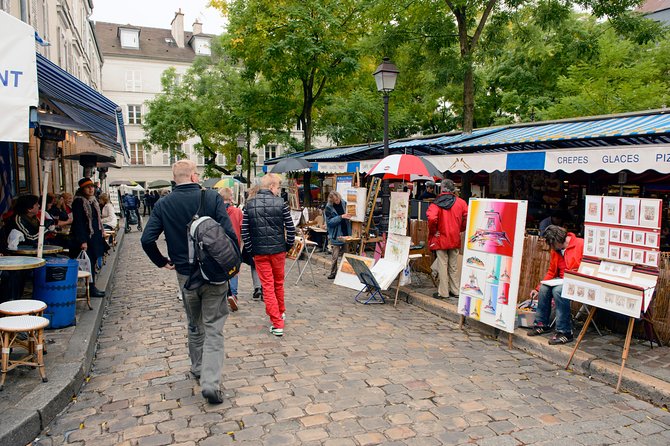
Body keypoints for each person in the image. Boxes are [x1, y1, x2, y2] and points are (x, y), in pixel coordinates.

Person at [141, 160, 238, 405]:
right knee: (214, 326)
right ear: (195, 176)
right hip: (215, 273)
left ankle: (197, 367)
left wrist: (162, 261)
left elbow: (146, 239)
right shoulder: (212, 198)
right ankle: (210, 382)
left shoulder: (164, 203)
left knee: (194, 323)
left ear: (175, 179)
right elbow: (229, 235)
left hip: (185, 274)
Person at [241, 173, 295, 337]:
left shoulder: (249, 205)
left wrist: (251, 249)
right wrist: (287, 245)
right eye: (278, 186)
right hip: (278, 250)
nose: (279, 190)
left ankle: (277, 319)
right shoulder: (281, 204)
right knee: (278, 283)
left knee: (268, 286)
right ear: (272, 186)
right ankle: (280, 316)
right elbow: (291, 229)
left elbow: (245, 231)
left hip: (259, 252)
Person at [528, 225, 583, 345]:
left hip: (577, 281)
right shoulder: (556, 250)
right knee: (544, 288)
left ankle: (565, 331)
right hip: (561, 280)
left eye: (552, 244)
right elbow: (552, 271)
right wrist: (537, 288)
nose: (551, 247)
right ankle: (542, 323)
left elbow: (585, 267)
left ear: (557, 241)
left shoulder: (580, 244)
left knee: (558, 290)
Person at [426, 179, 468, 299]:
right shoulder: (461, 203)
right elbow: (467, 217)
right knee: (453, 265)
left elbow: (432, 218)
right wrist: (460, 228)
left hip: (441, 238)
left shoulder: (436, 203)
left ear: (442, 188)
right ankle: (455, 290)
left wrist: (434, 231)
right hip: (454, 237)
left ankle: (443, 292)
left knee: (442, 265)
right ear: (453, 189)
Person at [69, 178, 106, 298]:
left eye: (92, 186)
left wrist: (102, 231)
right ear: (82, 189)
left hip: (94, 237)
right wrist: (83, 240)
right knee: (87, 263)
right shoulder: (79, 202)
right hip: (85, 238)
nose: (91, 189)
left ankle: (92, 286)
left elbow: (97, 220)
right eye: (87, 187)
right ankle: (90, 288)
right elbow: (78, 222)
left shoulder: (92, 201)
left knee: (93, 261)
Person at [219, 187, 242, 311]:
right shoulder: (237, 211)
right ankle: (233, 294)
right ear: (230, 197)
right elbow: (242, 228)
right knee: (234, 270)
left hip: (220, 245)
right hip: (234, 245)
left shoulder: (216, 210)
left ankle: (224, 294)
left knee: (222, 268)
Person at [324, 191, 351, 279]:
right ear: (332, 200)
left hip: (346, 232)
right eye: (335, 200)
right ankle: (333, 273)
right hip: (336, 234)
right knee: (335, 256)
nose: (338, 201)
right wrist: (341, 217)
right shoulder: (328, 207)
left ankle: (346, 273)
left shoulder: (344, 203)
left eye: (338, 199)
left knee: (346, 255)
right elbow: (329, 222)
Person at [244, 185, 263, 301]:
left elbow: (245, 226)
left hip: (252, 238)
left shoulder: (249, 206)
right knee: (264, 265)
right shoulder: (265, 204)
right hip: (264, 239)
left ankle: (257, 287)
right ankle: (263, 287)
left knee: (254, 265)